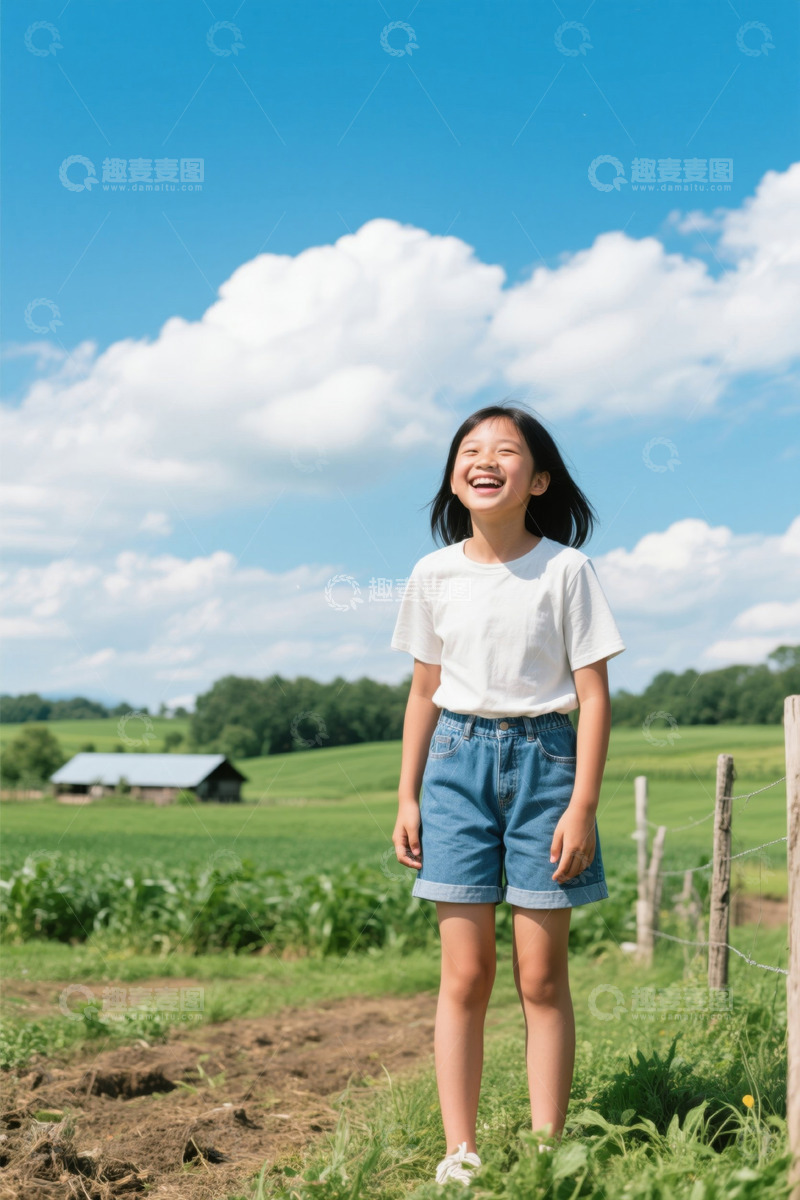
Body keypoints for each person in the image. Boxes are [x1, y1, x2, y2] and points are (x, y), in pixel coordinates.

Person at [390, 402, 626, 1186]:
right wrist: (407, 798)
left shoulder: (565, 570)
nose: (484, 459)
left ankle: (548, 1150)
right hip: (454, 767)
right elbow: (423, 693)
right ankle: (459, 1152)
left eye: (507, 450)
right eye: (470, 449)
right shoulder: (432, 574)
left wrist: (582, 805)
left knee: (540, 977)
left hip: (547, 769)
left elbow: (593, 698)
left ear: (540, 478)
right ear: (455, 475)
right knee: (464, 976)